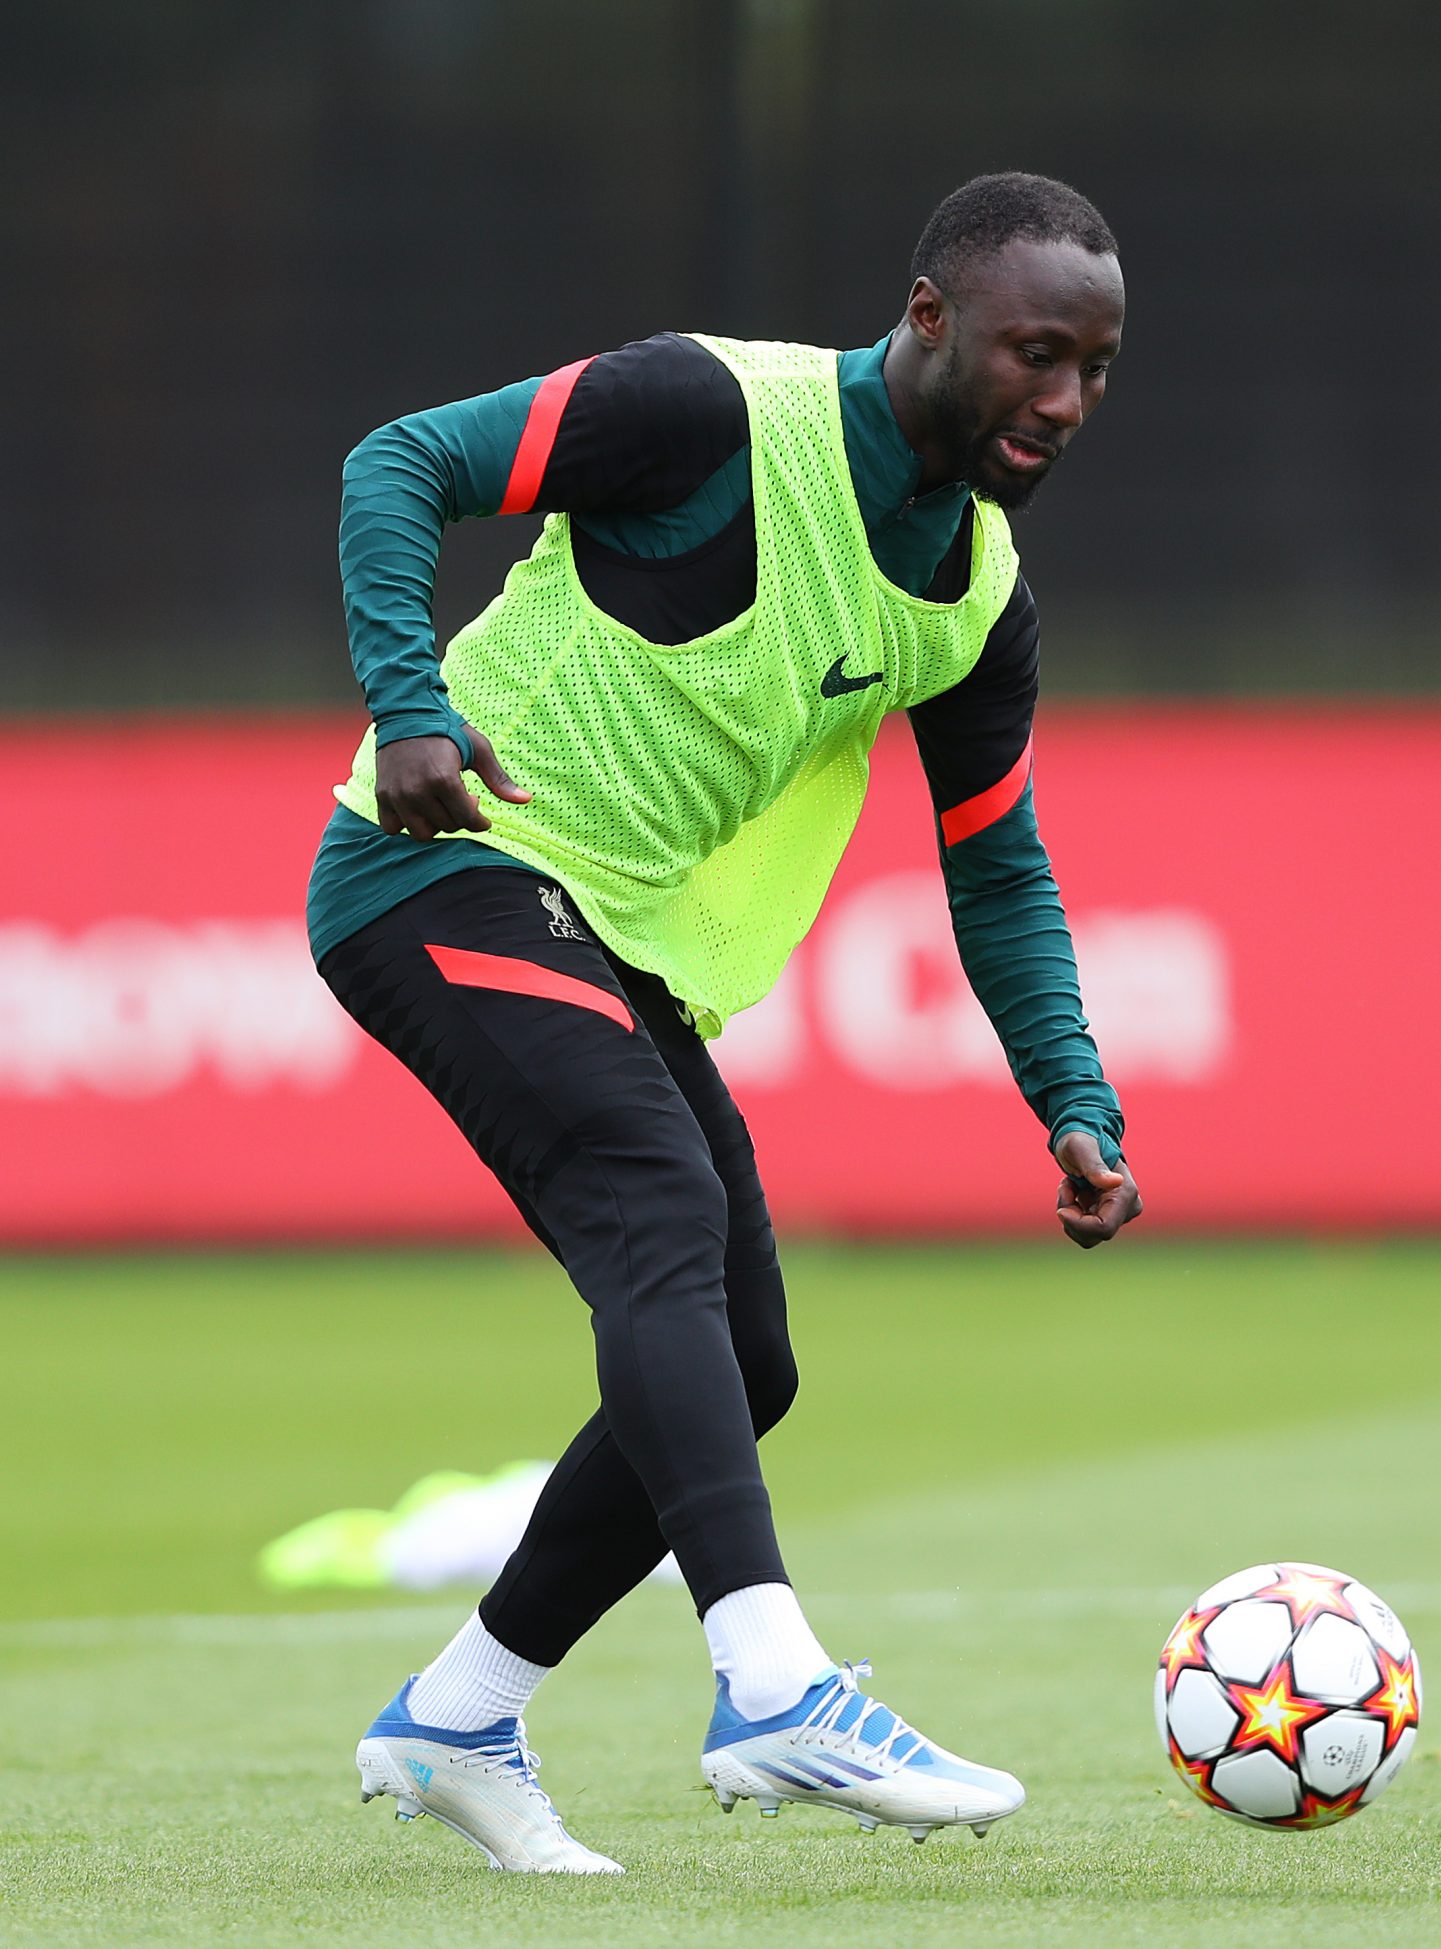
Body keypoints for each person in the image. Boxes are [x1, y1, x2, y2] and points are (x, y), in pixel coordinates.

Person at [314, 173, 1143, 1872]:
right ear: (928, 321)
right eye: (1034, 353)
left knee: (747, 1358)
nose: (1063, 401)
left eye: (1097, 368)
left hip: (612, 938)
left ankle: (460, 1714)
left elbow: (997, 869)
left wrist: (1071, 1093)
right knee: (660, 1211)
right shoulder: (702, 407)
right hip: (440, 865)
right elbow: (400, 461)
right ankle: (773, 1682)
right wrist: (408, 701)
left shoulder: (977, 594)